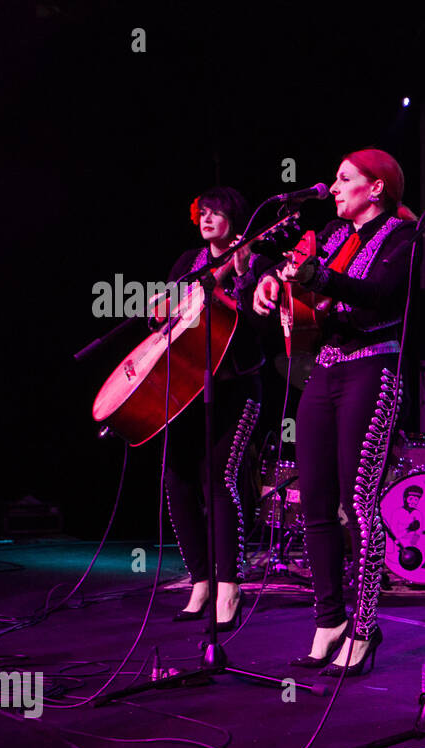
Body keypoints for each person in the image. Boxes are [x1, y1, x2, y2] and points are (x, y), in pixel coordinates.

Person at [251, 149, 417, 675]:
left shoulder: (403, 237)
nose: (335, 186)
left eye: (346, 179)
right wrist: (273, 282)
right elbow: (293, 277)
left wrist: (314, 277)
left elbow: (379, 296)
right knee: (315, 500)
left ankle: (366, 628)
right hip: (326, 368)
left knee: (359, 503)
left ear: (377, 188)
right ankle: (329, 619)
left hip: (374, 365)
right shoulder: (335, 238)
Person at [165, 186, 264, 629]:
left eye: (216, 212)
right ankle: (200, 580)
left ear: (235, 218)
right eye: (201, 212)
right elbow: (164, 312)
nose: (206, 219)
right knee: (178, 478)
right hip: (186, 387)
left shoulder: (255, 261)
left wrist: (234, 285)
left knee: (220, 480)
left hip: (235, 386)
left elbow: (255, 325)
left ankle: (230, 585)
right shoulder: (188, 262)